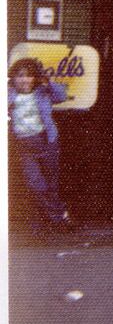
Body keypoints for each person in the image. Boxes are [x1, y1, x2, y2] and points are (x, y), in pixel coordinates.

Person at [8, 57, 72, 234]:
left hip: (46, 143)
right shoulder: (9, 93)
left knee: (51, 185)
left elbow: (62, 96)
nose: (24, 80)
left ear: (35, 78)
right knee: (35, 184)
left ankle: (54, 221)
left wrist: (48, 82)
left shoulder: (42, 92)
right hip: (24, 147)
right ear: (13, 78)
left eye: (29, 76)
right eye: (20, 76)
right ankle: (59, 215)